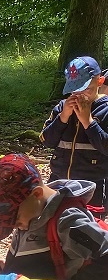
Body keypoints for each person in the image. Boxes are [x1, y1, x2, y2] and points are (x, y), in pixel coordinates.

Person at [41, 56, 108, 213]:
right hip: (60, 183)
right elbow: (47, 141)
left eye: (86, 89)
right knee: (55, 228)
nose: (80, 95)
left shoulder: (105, 110)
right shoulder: (62, 108)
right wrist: (63, 117)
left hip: (94, 189)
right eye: (75, 89)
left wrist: (88, 122)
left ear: (100, 82)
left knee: (88, 233)